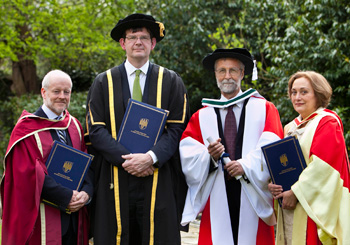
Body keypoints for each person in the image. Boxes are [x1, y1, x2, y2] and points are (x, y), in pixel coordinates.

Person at [84, 13, 190, 244]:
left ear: (153, 43)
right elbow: (96, 130)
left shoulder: (171, 81)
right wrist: (129, 160)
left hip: (157, 176)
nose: (138, 42)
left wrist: (150, 158)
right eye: (132, 37)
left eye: (144, 37)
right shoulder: (104, 82)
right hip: (115, 176)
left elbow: (176, 129)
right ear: (123, 43)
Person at [179, 48, 284, 245]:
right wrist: (208, 156)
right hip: (216, 191)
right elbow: (187, 154)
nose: (227, 76)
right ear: (215, 75)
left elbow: (273, 146)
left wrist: (246, 165)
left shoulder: (264, 109)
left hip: (253, 190)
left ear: (242, 74)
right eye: (221, 71)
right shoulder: (201, 116)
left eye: (233, 70)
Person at [1, 70, 93, 244]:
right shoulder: (26, 130)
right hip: (43, 219)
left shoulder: (74, 125)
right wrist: (67, 197)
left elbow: (86, 163)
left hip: (75, 221)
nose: (62, 96)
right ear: (44, 93)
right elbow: (30, 175)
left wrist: (86, 193)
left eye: (66, 92)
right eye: (56, 91)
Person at [268, 71, 350, 245]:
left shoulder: (327, 122)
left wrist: (296, 192)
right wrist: (274, 184)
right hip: (289, 206)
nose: (297, 97)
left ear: (318, 94)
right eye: (294, 92)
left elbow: (323, 168)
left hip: (311, 208)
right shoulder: (290, 127)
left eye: (304, 92)